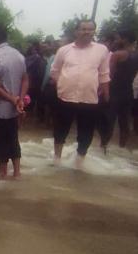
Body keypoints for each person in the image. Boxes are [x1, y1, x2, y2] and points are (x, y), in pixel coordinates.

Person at [50, 19, 110, 167]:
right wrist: (63, 84)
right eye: (83, 29)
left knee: (86, 133)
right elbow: (55, 71)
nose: (87, 32)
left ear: (94, 32)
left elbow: (104, 74)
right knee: (60, 130)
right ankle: (57, 159)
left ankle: (79, 162)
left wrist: (106, 94)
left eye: (90, 29)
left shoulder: (101, 50)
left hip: (89, 99)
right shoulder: (64, 50)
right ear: (76, 31)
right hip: (66, 97)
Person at [0, 23, 29, 179]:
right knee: (13, 139)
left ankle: (2, 175)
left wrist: (12, 99)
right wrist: (20, 100)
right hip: (15, 109)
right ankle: (17, 173)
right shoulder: (19, 55)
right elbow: (25, 79)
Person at [106, 29, 138, 147]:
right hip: (128, 92)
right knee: (124, 122)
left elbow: (109, 74)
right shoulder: (136, 55)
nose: (115, 41)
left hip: (114, 91)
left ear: (124, 39)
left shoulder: (118, 55)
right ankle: (122, 147)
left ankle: (103, 148)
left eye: (117, 38)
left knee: (109, 121)